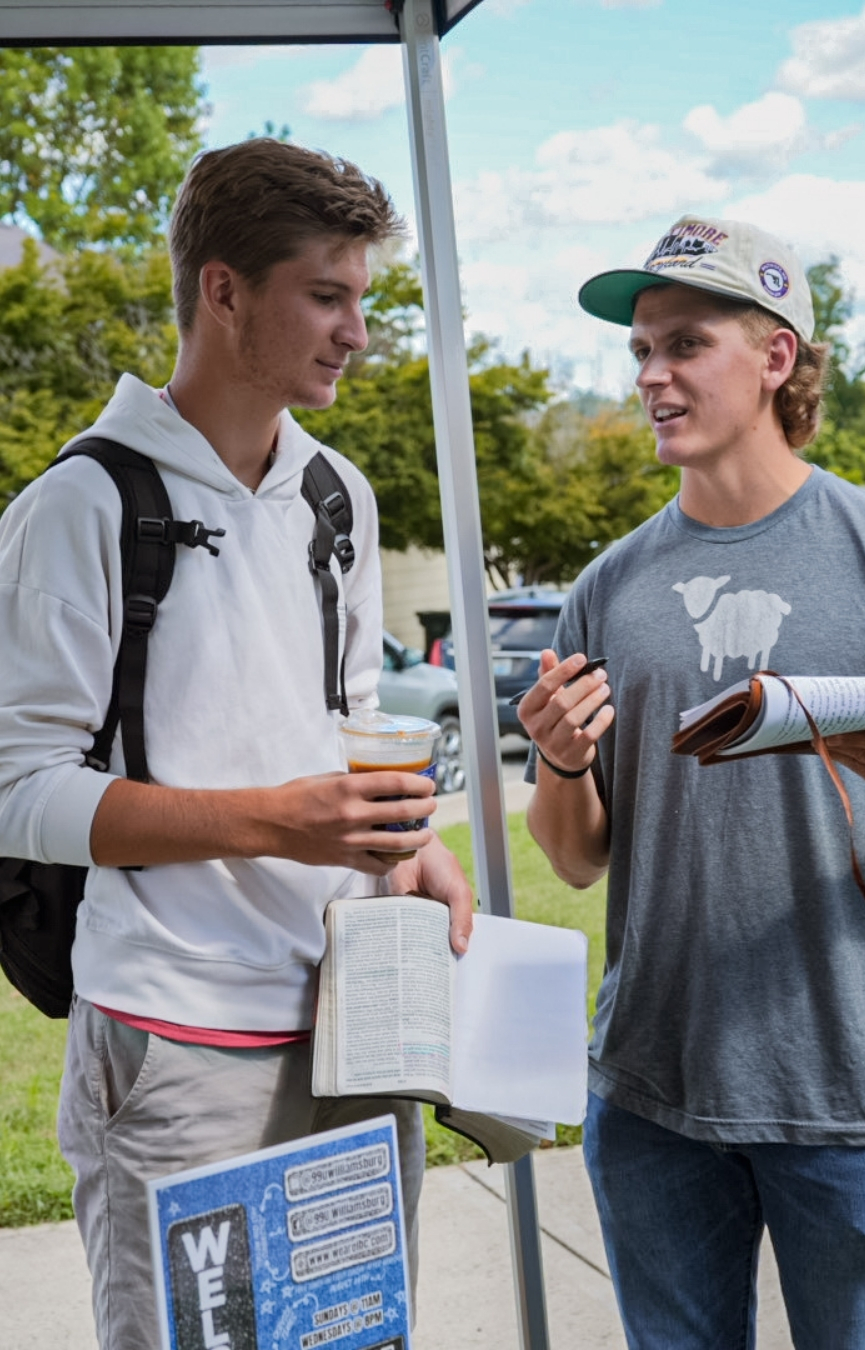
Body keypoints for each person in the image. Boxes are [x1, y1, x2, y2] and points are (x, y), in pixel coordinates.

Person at [516, 216, 865, 1349]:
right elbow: (576, 854)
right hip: (652, 1088)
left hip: (846, 1084)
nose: (652, 374)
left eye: (685, 343)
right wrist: (558, 761)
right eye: (641, 349)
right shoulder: (607, 589)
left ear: (777, 357)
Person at [0, 139, 473, 1350]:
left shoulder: (339, 499)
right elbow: (19, 794)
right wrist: (274, 819)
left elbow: (347, 708)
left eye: (361, 298)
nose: (356, 332)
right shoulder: (81, 506)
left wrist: (409, 844)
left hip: (354, 1028)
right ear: (223, 291)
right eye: (326, 294)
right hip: (174, 1047)